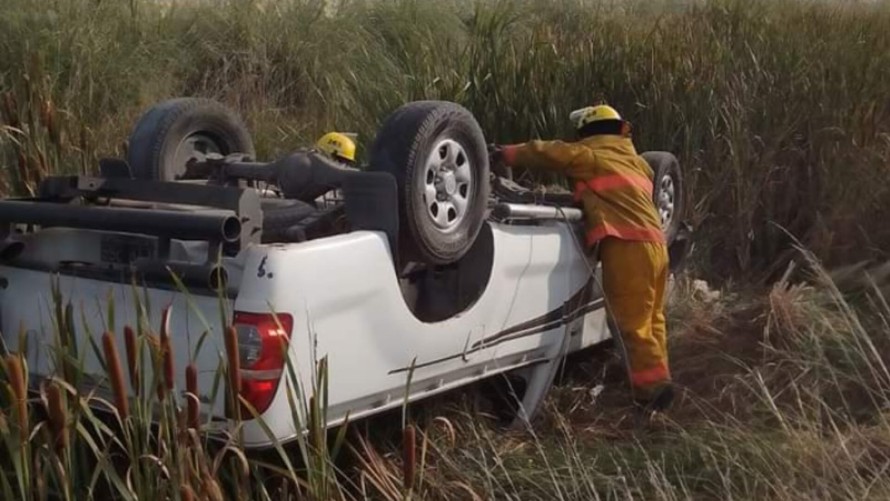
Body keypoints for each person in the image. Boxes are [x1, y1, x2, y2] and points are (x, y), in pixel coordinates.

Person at [490, 104, 674, 413]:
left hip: (627, 246)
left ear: (589, 131)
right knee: (653, 319)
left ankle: (651, 395)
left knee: (631, 323)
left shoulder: (591, 156)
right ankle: (660, 381)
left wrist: (505, 154)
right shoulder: (639, 164)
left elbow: (550, 152)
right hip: (657, 245)